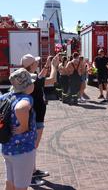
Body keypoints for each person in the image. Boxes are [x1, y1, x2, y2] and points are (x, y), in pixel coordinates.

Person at [21, 53, 59, 186]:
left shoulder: (28, 77)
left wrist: (48, 64)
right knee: (32, 147)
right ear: (31, 65)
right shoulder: (33, 79)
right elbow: (51, 80)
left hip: (34, 116)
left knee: (32, 147)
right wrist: (54, 66)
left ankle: (33, 171)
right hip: (35, 118)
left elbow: (41, 76)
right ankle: (29, 176)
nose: (38, 63)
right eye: (36, 62)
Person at [1, 68, 36, 190]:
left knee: (10, 183)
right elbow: (21, 108)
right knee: (21, 186)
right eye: (31, 83)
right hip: (22, 150)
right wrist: (24, 126)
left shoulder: (5, 97)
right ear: (26, 86)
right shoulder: (25, 98)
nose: (33, 85)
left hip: (7, 148)